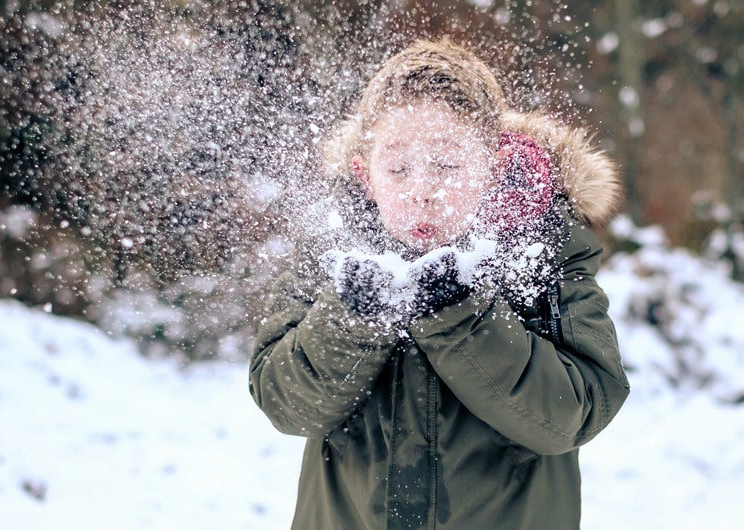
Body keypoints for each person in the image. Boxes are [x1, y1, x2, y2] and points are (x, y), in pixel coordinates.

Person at [249, 38, 630, 530]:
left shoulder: (543, 250)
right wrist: (353, 316)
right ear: (366, 174)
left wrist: (461, 315)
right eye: (398, 167)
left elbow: (572, 415)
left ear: (492, 168)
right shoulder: (334, 253)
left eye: (447, 165)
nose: (422, 191)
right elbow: (286, 405)